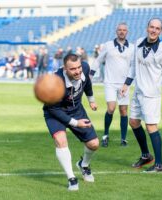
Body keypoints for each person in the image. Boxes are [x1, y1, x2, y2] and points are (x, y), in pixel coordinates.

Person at [120, 18, 162, 172]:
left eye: (157, 28)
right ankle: (146, 156)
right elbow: (133, 67)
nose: (153, 30)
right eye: (152, 27)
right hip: (138, 92)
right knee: (133, 122)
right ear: (147, 28)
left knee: (151, 126)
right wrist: (126, 84)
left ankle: (159, 164)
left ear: (160, 31)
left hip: (151, 95)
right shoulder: (138, 42)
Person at [43, 54, 99, 191]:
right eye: (73, 69)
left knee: (94, 144)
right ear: (65, 69)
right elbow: (54, 109)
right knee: (61, 140)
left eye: (79, 67)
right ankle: (71, 179)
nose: (78, 71)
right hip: (55, 112)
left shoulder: (85, 68)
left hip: (76, 109)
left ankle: (83, 165)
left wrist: (91, 100)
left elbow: (88, 84)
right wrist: (75, 123)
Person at [90, 22, 134, 147]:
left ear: (127, 32)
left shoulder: (132, 47)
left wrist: (127, 83)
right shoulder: (108, 45)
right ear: (116, 31)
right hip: (110, 82)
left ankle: (123, 138)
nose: (122, 32)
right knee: (111, 108)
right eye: (119, 30)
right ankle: (105, 135)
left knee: (123, 111)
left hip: (124, 84)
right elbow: (98, 60)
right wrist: (90, 75)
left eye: (124, 30)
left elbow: (133, 67)